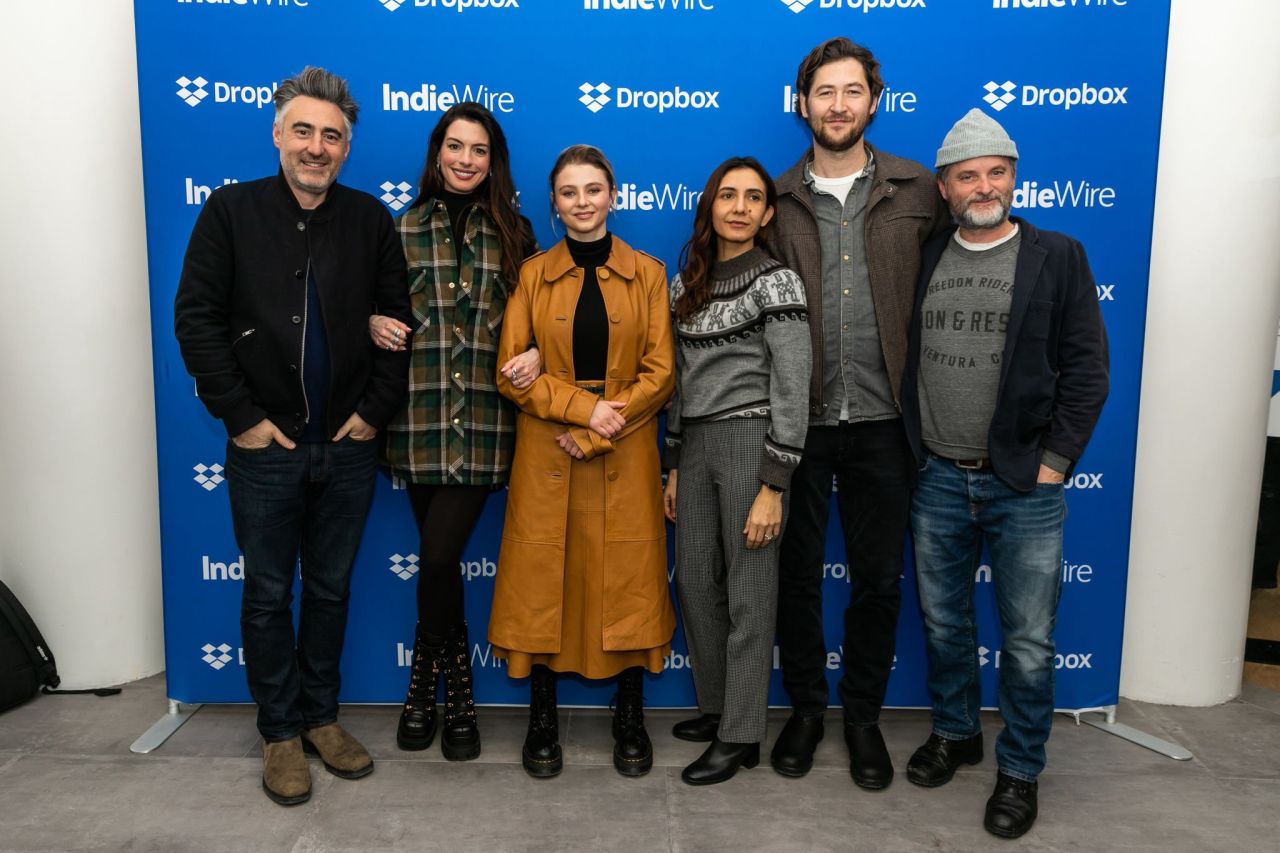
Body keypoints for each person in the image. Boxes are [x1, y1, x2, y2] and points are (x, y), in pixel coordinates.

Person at [173, 67, 410, 806]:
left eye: (331, 136)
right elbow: (197, 320)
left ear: (347, 147)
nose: (316, 146)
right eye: (303, 131)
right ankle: (279, 730)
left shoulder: (371, 221)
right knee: (270, 592)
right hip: (264, 451)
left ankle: (321, 717)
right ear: (277, 133)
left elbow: (399, 325)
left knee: (331, 589)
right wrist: (241, 417)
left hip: (346, 449)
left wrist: (373, 412)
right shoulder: (229, 212)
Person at [901, 109, 1109, 838]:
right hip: (937, 478)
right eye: (968, 174)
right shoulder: (924, 253)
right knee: (945, 622)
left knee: (1026, 641)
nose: (984, 185)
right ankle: (958, 732)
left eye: (997, 171)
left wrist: (1055, 464)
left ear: (1013, 177)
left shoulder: (1058, 255)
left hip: (1026, 484)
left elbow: (1088, 371)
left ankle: (1020, 770)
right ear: (945, 186)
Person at [769, 37, 948, 789]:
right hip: (800, 423)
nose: (837, 105)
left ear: (875, 100)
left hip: (886, 423)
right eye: (823, 92)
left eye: (852, 92)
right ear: (801, 101)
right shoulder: (771, 201)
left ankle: (863, 716)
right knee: (795, 574)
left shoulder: (919, 191)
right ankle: (808, 708)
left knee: (879, 578)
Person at [488, 144, 676, 779]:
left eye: (593, 189)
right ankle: (542, 717)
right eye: (569, 193)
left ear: (613, 196)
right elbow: (510, 374)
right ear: (553, 204)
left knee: (625, 582)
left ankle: (629, 717)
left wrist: (598, 428)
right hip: (548, 454)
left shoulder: (648, 273)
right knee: (545, 584)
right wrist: (579, 408)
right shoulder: (533, 274)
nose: (582, 202)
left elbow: (661, 376)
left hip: (621, 447)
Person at [367, 103, 540, 762]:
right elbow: (362, 304)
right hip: (418, 420)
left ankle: (432, 687)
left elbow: (545, 319)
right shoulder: (400, 228)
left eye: (480, 150)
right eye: (455, 146)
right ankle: (451, 692)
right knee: (438, 563)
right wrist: (365, 324)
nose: (466, 159)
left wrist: (543, 357)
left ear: (493, 161)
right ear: (437, 152)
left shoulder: (515, 233)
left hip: (490, 424)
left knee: (438, 557)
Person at [662, 157, 811, 785]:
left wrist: (775, 484)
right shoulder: (684, 283)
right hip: (694, 444)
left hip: (754, 439)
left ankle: (742, 735)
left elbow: (794, 384)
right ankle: (720, 707)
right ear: (710, 206)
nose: (741, 207)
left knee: (751, 594)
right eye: (728, 195)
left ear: (769, 213)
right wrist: (671, 464)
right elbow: (676, 383)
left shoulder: (778, 282)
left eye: (754, 197)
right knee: (695, 581)